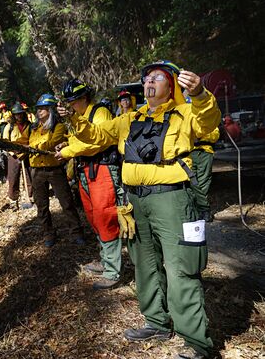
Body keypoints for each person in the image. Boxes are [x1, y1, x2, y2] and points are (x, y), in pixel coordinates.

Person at [57, 60, 221, 359]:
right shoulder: (129, 119)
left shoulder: (185, 113)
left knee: (181, 268)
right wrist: (75, 121)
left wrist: (199, 94)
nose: (148, 81)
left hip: (173, 201)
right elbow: (95, 137)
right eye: (145, 77)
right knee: (144, 267)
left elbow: (208, 123)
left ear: (171, 84)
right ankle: (156, 322)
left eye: (156, 77)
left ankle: (197, 342)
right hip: (136, 203)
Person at [55, 79, 123, 290]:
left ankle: (113, 271)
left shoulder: (100, 112)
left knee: (106, 217)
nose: (71, 106)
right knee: (94, 217)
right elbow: (80, 140)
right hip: (85, 170)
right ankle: (106, 260)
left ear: (84, 98)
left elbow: (96, 142)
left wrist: (67, 152)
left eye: (73, 102)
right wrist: (67, 144)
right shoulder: (79, 117)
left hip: (102, 168)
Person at [25, 93, 85, 247]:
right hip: (37, 170)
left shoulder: (58, 127)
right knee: (42, 206)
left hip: (54, 170)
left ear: (51, 110)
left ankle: (77, 233)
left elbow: (50, 143)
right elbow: (28, 143)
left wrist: (32, 148)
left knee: (66, 202)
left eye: (43, 108)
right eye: (38, 108)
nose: (40, 111)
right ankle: (48, 234)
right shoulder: (33, 128)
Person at [2, 103, 33, 209]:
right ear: (13, 115)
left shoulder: (29, 126)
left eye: (20, 114)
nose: (18, 116)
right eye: (16, 114)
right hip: (13, 156)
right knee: (13, 177)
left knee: (29, 177)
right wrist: (13, 152)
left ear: (23, 114)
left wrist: (26, 150)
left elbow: (32, 139)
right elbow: (5, 142)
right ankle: (13, 200)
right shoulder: (9, 127)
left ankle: (30, 196)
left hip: (27, 154)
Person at [191, 127, 220, 222]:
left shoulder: (207, 118)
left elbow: (215, 136)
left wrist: (200, 135)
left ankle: (202, 211)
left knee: (204, 182)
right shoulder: (184, 114)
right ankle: (201, 209)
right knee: (190, 182)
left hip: (205, 152)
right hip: (187, 153)